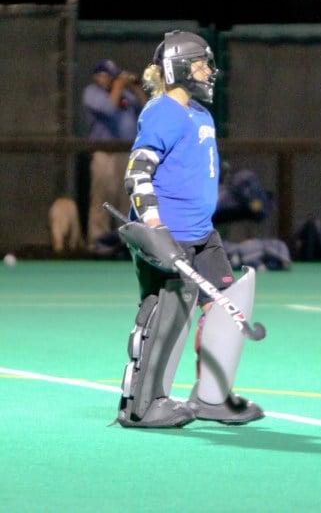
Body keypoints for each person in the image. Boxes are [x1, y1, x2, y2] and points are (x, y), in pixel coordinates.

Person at [112, 30, 265, 428]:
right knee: (168, 312)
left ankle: (211, 399)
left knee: (228, 304)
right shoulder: (162, 111)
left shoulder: (201, 114)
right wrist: (154, 227)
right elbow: (138, 171)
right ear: (179, 67)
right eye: (201, 63)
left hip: (202, 232)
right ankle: (141, 407)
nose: (209, 71)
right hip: (169, 234)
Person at [82, 59, 147, 250]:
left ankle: (125, 243)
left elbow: (145, 110)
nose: (108, 79)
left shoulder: (125, 94)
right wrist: (118, 86)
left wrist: (136, 88)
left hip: (126, 153)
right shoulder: (92, 93)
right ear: (97, 76)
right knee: (102, 197)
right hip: (104, 152)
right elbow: (109, 110)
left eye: (112, 76)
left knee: (126, 199)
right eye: (104, 75)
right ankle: (98, 241)